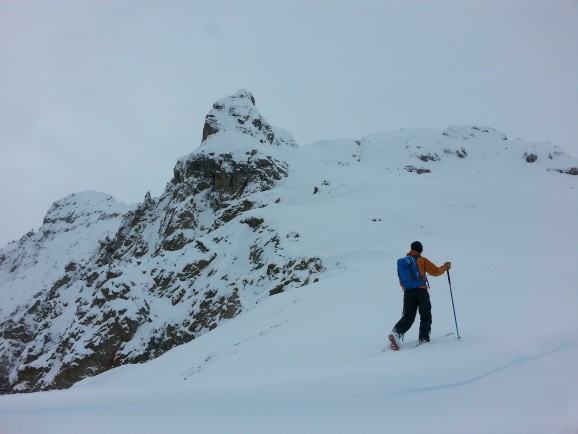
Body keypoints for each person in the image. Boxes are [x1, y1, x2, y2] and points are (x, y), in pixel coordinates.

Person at [388, 241, 451, 350]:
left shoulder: (403, 262)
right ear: (420, 250)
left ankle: (396, 333)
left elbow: (401, 279)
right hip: (421, 292)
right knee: (425, 314)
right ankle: (424, 338)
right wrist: (445, 267)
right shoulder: (422, 260)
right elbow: (435, 271)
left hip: (408, 292)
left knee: (408, 316)